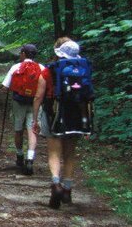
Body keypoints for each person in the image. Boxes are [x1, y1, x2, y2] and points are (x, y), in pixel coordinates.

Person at [33, 37, 94, 208]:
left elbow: (39, 96)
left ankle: (55, 185)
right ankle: (67, 189)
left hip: (54, 114)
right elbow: (88, 95)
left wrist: (36, 118)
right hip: (75, 116)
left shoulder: (48, 71)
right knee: (69, 153)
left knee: (54, 153)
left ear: (58, 53)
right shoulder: (83, 69)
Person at [1, 44, 43, 175]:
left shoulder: (16, 67)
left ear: (24, 53)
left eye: (21, 52)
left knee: (18, 129)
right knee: (32, 130)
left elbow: (5, 86)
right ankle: (30, 158)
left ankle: (20, 156)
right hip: (35, 103)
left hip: (18, 102)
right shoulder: (41, 68)